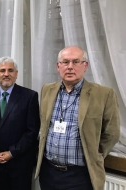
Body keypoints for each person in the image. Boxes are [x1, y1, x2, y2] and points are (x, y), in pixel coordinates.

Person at [35, 46, 120, 190]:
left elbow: (112, 133)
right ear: (58, 66)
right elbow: (43, 126)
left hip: (81, 175)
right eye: (65, 62)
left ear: (85, 65)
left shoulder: (103, 94)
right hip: (48, 172)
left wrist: (95, 153)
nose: (70, 67)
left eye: (75, 62)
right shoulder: (47, 90)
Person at [0, 56, 40, 190]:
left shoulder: (30, 96)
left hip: (20, 163)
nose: (6, 74)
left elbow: (32, 131)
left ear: (16, 74)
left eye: (10, 70)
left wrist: (12, 153)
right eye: (2, 70)